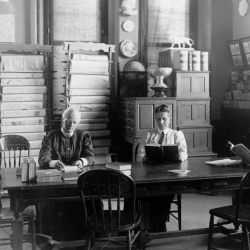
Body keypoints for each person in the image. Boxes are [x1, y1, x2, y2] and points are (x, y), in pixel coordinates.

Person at [38, 107, 95, 241]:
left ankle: (81, 238)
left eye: (74, 122)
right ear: (62, 121)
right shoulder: (51, 136)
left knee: (85, 204)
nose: (71, 125)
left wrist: (82, 161)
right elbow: (42, 159)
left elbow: (91, 157)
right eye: (68, 121)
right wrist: (53, 163)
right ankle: (55, 238)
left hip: (77, 181)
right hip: (56, 183)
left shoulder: (83, 136)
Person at [136, 104, 188, 233]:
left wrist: (178, 156)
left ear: (169, 119)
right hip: (151, 174)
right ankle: (152, 228)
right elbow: (139, 154)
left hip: (170, 176)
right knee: (149, 195)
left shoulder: (177, 134)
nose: (161, 122)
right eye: (158, 119)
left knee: (162, 196)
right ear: (155, 119)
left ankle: (156, 229)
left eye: (164, 118)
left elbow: (184, 153)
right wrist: (144, 158)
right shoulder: (148, 134)